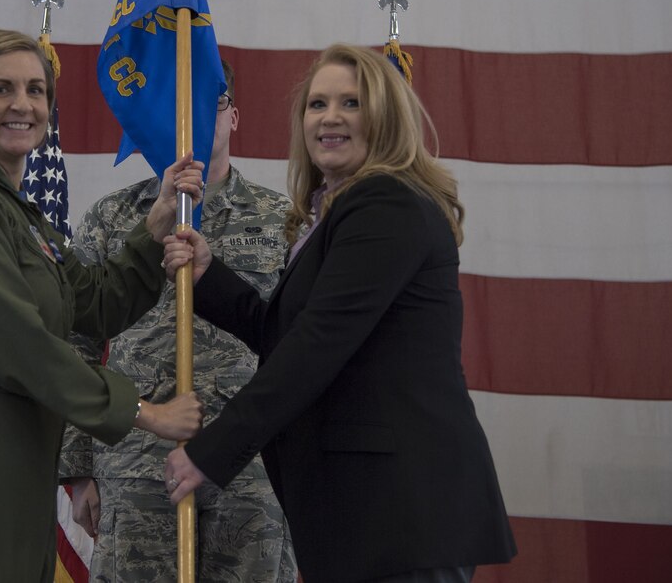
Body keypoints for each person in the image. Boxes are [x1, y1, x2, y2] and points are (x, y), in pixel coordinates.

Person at [162, 44, 517, 582]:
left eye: (351, 103)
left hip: (399, 513)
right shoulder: (335, 212)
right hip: (365, 515)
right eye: (317, 103)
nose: (330, 117)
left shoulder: (385, 202)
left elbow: (317, 344)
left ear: (385, 117)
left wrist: (213, 452)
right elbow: (290, 333)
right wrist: (210, 277)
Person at [0, 29, 204, 583]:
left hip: (16, 456)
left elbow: (94, 303)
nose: (23, 104)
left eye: (36, 90)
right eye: (1, 89)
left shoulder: (20, 217)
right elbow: (18, 344)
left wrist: (152, 232)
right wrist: (144, 413)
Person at [60, 60, 297, 582]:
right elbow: (74, 341)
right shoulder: (112, 217)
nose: (191, 119)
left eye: (208, 103)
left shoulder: (285, 220)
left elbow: (302, 346)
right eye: (177, 106)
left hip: (252, 471)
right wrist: (78, 469)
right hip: (135, 464)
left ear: (233, 116)